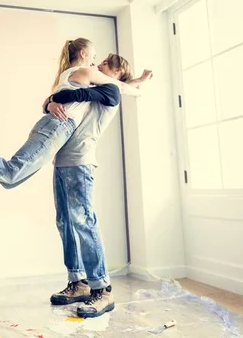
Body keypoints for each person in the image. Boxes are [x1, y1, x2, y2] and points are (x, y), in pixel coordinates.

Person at [0, 38, 142, 185]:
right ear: (83, 54)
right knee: (12, 173)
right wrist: (140, 85)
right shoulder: (84, 71)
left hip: (56, 127)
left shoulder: (79, 76)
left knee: (10, 179)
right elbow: (120, 86)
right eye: (94, 55)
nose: (95, 60)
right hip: (58, 126)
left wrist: (49, 103)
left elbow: (114, 86)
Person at [44, 54, 152, 319]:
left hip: (80, 162)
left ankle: (102, 289)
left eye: (104, 64)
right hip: (62, 161)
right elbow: (62, 95)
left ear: (115, 73)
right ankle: (78, 283)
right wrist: (49, 103)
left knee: (83, 222)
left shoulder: (109, 90)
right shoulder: (94, 86)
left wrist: (53, 100)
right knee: (65, 222)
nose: (97, 66)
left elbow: (72, 95)